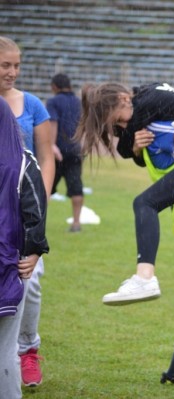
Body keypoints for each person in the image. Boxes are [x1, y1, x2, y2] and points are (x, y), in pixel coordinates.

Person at [76, 82, 174, 311]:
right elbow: (126, 148)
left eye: (120, 119)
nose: (124, 126)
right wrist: (135, 148)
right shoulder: (136, 117)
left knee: (145, 202)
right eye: (118, 124)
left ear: (125, 99)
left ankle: (145, 277)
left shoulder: (149, 101)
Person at [0, 35, 54, 388]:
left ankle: (27, 350)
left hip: (24, 211)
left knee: (29, 282)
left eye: (17, 65)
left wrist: (39, 207)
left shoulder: (31, 104)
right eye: (6, 65)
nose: (13, 72)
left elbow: (45, 158)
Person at [47, 73, 84, 233]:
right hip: (75, 150)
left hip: (58, 151)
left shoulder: (53, 101)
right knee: (76, 186)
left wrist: (52, 146)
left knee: (45, 188)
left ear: (54, 87)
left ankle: (37, 223)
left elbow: (53, 123)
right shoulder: (78, 102)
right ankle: (76, 223)